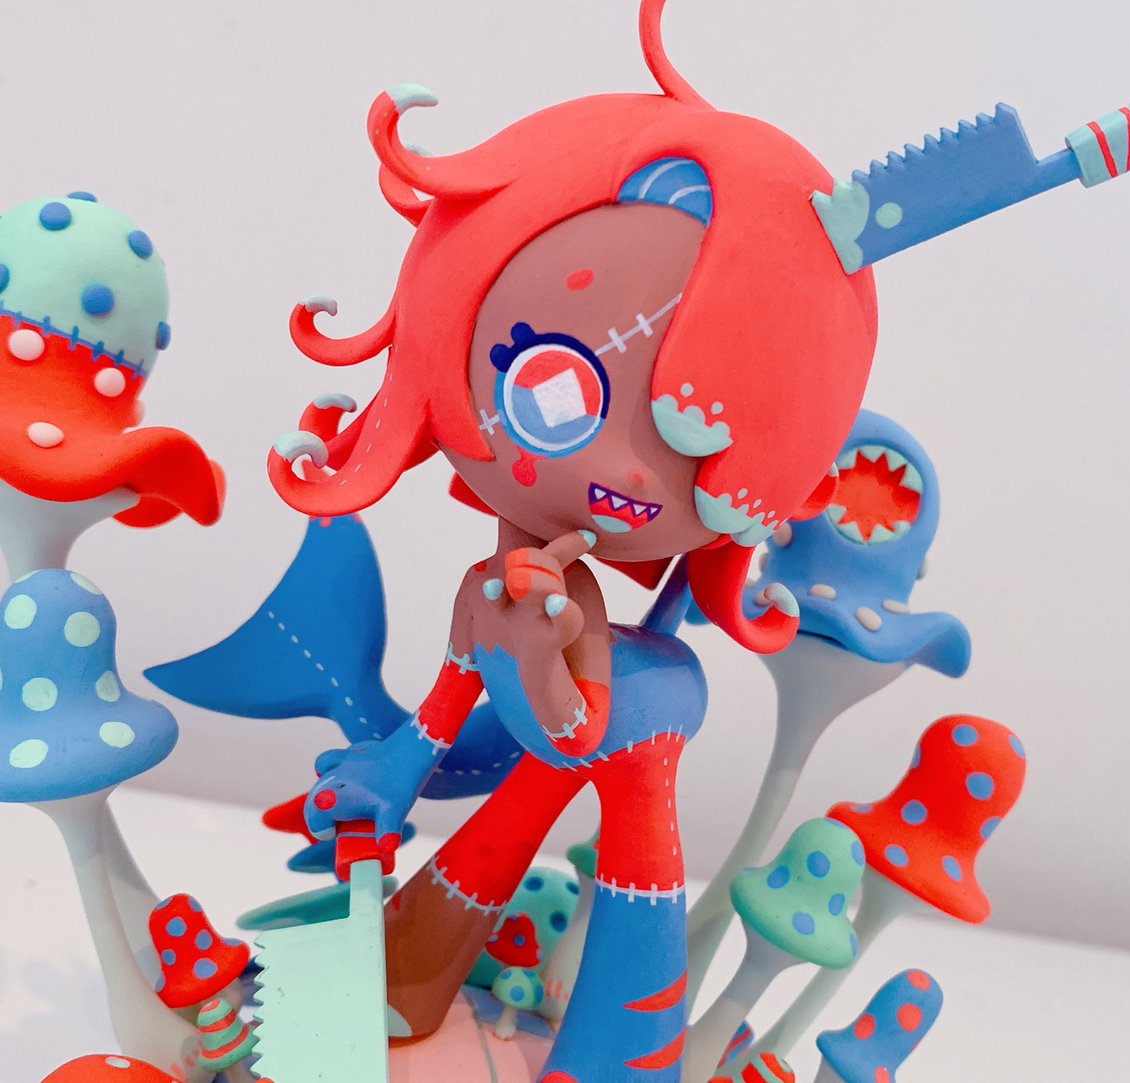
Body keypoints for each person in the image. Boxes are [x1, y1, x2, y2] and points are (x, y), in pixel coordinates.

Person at [268, 2, 877, 1077]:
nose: (631, 473)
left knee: (634, 881)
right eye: (556, 389)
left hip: (636, 722)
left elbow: (568, 721)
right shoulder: (488, 593)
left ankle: (613, 1056)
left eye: (700, 447)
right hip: (566, 698)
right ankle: (411, 974)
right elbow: (449, 705)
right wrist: (390, 773)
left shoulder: (572, 610)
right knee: (507, 820)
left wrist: (545, 662)